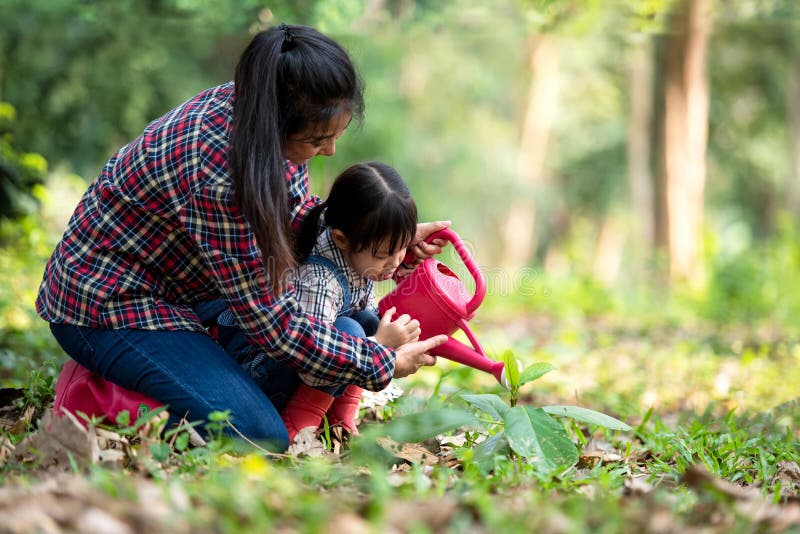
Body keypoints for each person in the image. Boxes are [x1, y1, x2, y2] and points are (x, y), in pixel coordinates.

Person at [36, 23, 448, 452]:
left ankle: (180, 369)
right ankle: (96, 393)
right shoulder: (220, 176)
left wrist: (379, 241)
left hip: (192, 281)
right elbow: (275, 327)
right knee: (256, 433)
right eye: (318, 140)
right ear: (279, 125)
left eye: (335, 136)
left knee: (347, 327)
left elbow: (292, 216)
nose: (329, 152)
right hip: (112, 303)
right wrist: (381, 361)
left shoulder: (261, 105)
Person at [274, 161, 421, 442]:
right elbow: (313, 353)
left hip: (317, 366)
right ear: (342, 239)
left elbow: (366, 310)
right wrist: (381, 347)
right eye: (383, 254)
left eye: (402, 248)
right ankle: (300, 421)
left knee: (368, 321)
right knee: (352, 332)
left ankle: (339, 417)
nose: (395, 262)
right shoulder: (319, 279)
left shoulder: (357, 256)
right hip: (284, 373)